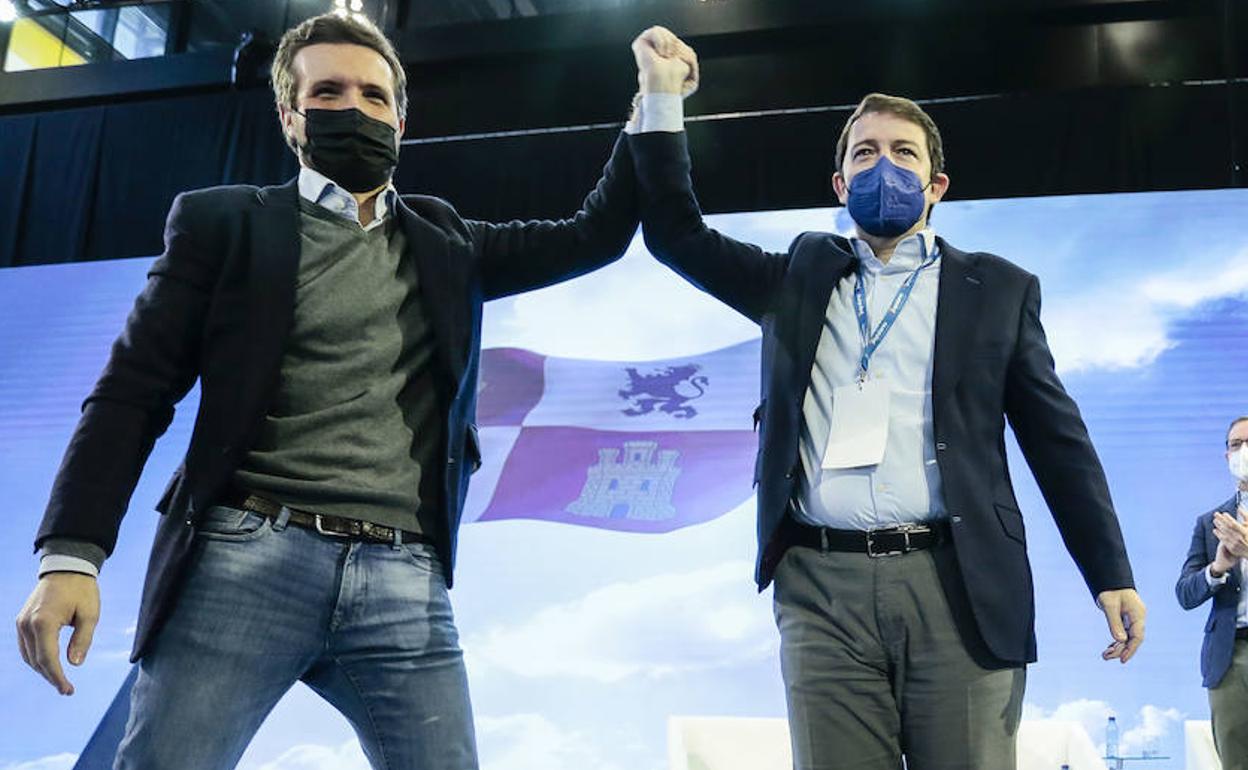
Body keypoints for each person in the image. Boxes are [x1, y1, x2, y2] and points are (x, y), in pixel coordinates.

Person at [14, 13, 676, 770]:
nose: (354, 108)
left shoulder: (449, 241)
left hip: (404, 578)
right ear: (290, 116)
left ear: (400, 119)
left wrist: (656, 100)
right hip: (245, 557)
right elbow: (131, 394)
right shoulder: (222, 223)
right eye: (327, 93)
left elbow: (596, 234)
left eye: (372, 95)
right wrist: (71, 556)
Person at [626, 27, 1146, 770]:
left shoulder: (998, 289)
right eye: (864, 153)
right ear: (840, 186)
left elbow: (1058, 442)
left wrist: (1111, 572)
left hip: (958, 581)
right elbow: (674, 234)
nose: (884, 166)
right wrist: (660, 99)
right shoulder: (795, 278)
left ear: (937, 185)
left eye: (905, 153)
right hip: (821, 587)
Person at [1176, 415, 1248, 770]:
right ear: (1227, 456)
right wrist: (1217, 567)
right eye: (1236, 445)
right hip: (1229, 655)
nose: (1244, 451)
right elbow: (1185, 594)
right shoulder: (1212, 522)